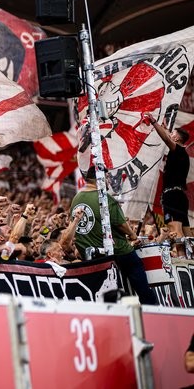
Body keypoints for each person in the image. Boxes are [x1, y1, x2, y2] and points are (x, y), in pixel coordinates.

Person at [70, 166, 157, 305]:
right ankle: (152, 311)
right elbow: (121, 224)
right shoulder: (104, 198)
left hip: (91, 257)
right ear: (100, 179)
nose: (108, 180)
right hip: (117, 252)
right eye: (106, 177)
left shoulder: (76, 199)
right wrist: (133, 236)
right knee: (140, 279)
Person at [144, 113, 190, 240]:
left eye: (173, 134)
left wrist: (154, 122)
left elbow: (165, 138)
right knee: (187, 233)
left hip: (172, 196)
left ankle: (181, 257)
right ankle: (188, 257)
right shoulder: (182, 154)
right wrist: (165, 127)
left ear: (176, 139)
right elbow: (168, 135)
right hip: (180, 197)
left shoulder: (177, 150)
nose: (170, 135)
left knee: (175, 231)